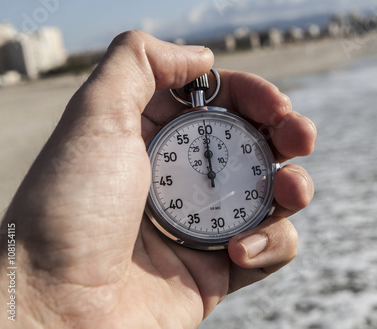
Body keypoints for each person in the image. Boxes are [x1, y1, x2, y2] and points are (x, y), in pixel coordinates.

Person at [0, 31, 316, 328]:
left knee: (288, 187)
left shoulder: (209, 138)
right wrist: (34, 290)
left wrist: (33, 298)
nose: (209, 174)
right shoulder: (149, 138)